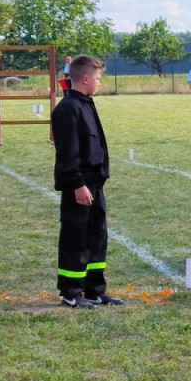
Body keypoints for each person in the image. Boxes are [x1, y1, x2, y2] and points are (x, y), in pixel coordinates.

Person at [51, 54, 124, 309]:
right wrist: (77, 184)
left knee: (97, 237)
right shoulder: (68, 108)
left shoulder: (86, 103)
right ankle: (71, 292)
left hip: (95, 185)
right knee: (76, 238)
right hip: (79, 187)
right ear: (84, 78)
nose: (99, 82)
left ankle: (94, 289)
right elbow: (68, 153)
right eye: (97, 78)